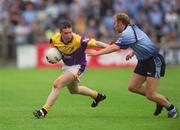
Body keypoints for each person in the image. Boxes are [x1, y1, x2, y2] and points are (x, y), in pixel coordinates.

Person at [87, 13, 178, 118]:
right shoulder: (132, 28)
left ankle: (171, 107)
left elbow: (114, 48)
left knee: (150, 94)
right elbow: (142, 40)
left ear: (121, 24)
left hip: (154, 61)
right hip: (143, 61)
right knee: (132, 87)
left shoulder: (127, 33)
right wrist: (134, 52)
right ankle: (158, 99)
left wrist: (97, 53)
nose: (114, 26)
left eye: (115, 23)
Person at [33, 20, 108, 118]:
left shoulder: (78, 40)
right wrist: (52, 59)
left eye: (70, 32)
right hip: (67, 66)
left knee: (57, 84)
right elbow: (55, 53)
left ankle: (44, 111)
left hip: (78, 66)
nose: (69, 35)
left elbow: (96, 43)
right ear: (60, 33)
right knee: (74, 90)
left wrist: (111, 47)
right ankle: (97, 96)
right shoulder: (54, 39)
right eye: (66, 33)